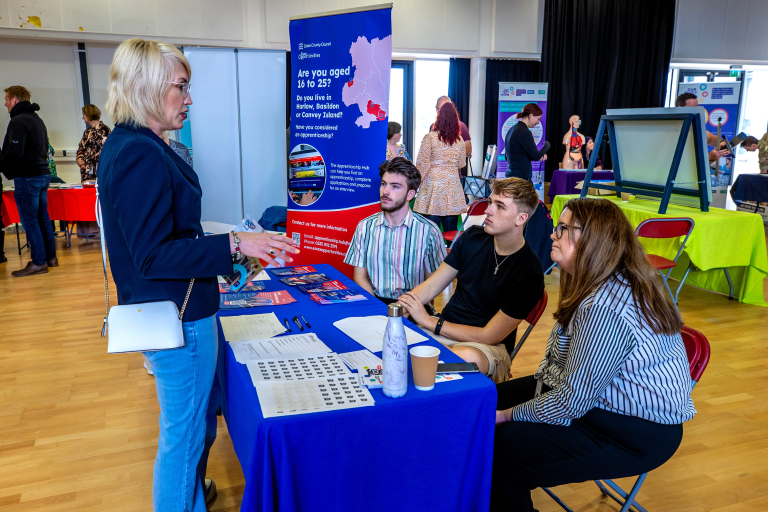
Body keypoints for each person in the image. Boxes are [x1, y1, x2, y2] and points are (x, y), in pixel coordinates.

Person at [98, 38, 299, 512]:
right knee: (183, 439)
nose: (189, 99)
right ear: (146, 88)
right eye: (181, 87)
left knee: (196, 428)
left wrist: (232, 246)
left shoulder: (137, 145)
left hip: (182, 308)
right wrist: (234, 244)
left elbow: (167, 233)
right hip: (178, 318)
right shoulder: (138, 154)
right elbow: (153, 255)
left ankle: (189, 493)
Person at [491, 197, 696, 512]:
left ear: (593, 241)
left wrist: (507, 416)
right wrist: (502, 407)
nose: (552, 235)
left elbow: (572, 400)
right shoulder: (600, 280)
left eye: (562, 229)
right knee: (484, 396)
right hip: (600, 403)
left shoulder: (604, 305)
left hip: (635, 432)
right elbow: (567, 381)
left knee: (502, 449)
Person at [398, 178, 544, 383]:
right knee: (394, 345)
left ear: (521, 218)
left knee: (460, 359)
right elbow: (431, 286)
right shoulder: (472, 237)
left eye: (499, 206)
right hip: (443, 329)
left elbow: (489, 336)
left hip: (485, 348)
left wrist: (429, 321)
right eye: (490, 202)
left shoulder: (530, 271)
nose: (488, 210)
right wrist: (397, 310)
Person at [344, 157, 446, 305]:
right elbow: (359, 277)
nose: (385, 191)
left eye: (395, 186)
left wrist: (405, 311)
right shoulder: (364, 227)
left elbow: (434, 284)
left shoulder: (429, 232)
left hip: (414, 305)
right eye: (384, 184)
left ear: (410, 195)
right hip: (375, 302)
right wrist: (377, 309)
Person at [0, 85, 57, 276]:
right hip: (42, 175)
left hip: (28, 178)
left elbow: (15, 152)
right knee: (43, 219)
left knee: (30, 221)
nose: (5, 103)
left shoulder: (18, 121)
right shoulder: (37, 119)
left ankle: (38, 263)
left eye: (7, 99)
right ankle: (51, 258)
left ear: (15, 99)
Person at [413, 101, 467, 233]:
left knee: (430, 230)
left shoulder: (430, 138)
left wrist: (416, 183)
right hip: (453, 185)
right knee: (451, 230)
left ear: (439, 118)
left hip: (434, 184)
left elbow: (422, 163)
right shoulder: (459, 140)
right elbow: (461, 163)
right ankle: (450, 252)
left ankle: (432, 253)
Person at [675, 93, 729, 163]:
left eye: (697, 107)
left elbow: (709, 137)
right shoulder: (672, 129)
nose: (696, 110)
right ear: (680, 108)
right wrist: (709, 156)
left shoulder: (693, 125)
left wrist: (722, 143)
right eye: (693, 107)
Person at [503, 103, 550, 181]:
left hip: (512, 177)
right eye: (538, 118)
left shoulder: (512, 129)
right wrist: (547, 145)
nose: (538, 122)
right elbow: (536, 156)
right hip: (520, 179)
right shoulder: (524, 131)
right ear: (530, 115)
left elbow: (508, 156)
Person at [76, 104, 111, 182]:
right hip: (86, 173)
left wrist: (86, 160)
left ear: (89, 114)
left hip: (99, 172)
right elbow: (81, 148)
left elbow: (105, 151)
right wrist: (79, 160)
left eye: (83, 114)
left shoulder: (104, 130)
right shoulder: (87, 132)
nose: (82, 117)